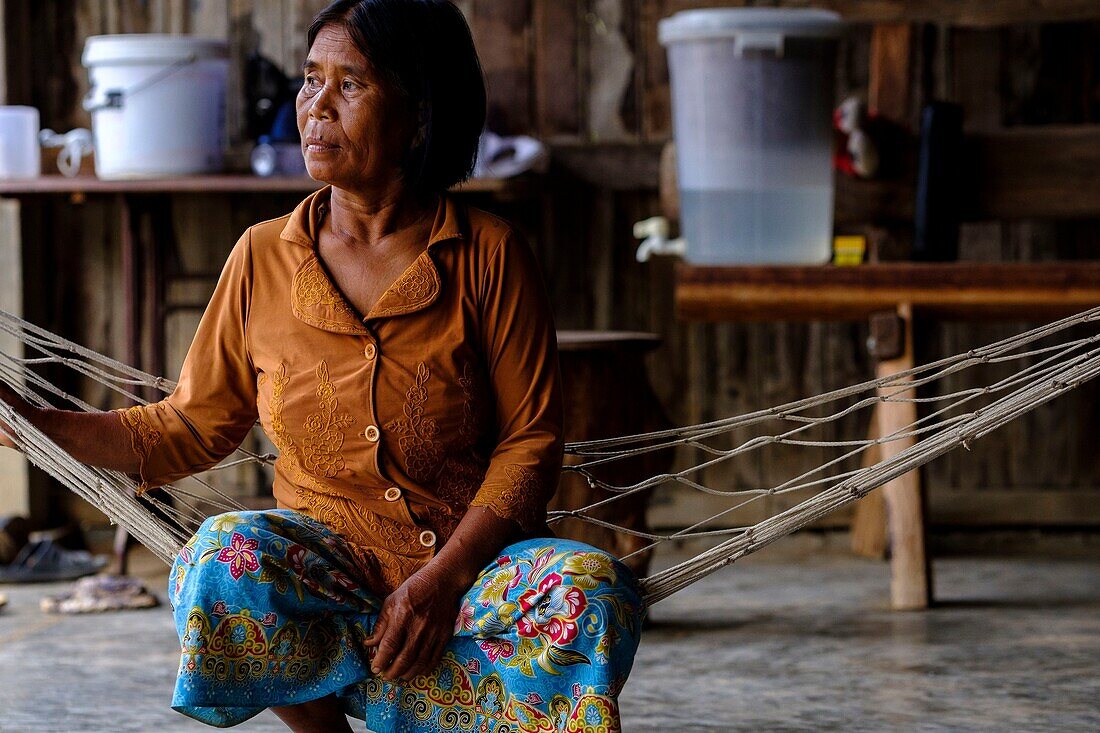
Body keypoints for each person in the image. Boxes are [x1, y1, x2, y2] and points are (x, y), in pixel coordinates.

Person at [0, 1, 644, 731]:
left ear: (419, 111)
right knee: (220, 557)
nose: (316, 108)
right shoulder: (261, 256)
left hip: (468, 580)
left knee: (594, 591)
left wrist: (442, 582)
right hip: (325, 583)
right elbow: (186, 428)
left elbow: (531, 442)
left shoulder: (491, 253)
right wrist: (28, 423)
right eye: (311, 80)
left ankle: (425, 693)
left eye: (352, 84)